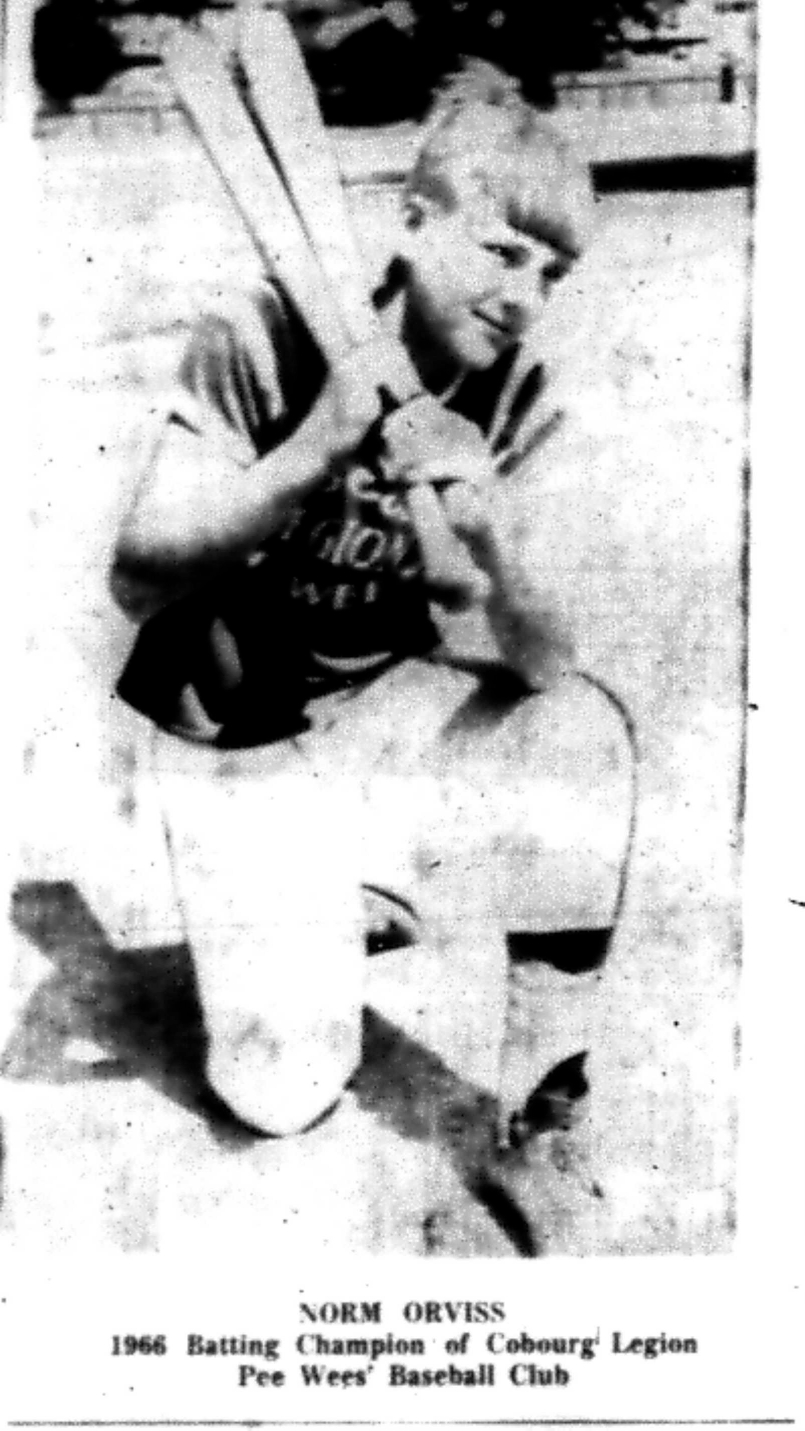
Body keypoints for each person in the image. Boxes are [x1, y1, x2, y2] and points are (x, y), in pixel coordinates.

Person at [110, 61, 636, 1151]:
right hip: (235, 731)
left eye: (551, 273)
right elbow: (138, 573)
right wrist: (319, 445)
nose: (522, 294)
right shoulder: (263, 331)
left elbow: (541, 665)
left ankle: (544, 1091)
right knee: (282, 1095)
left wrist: (488, 527)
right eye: (501, 251)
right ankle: (311, 905)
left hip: (381, 724)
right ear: (412, 222)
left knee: (581, 728)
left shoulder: (520, 389)